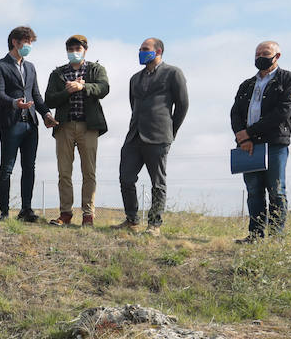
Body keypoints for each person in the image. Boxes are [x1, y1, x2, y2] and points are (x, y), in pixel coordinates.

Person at [116, 37, 188, 236]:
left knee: (158, 182)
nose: (140, 52)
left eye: (145, 49)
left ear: (158, 51)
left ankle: (154, 225)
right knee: (126, 178)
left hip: (159, 136)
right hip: (134, 136)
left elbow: (182, 105)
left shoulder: (173, 73)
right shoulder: (134, 78)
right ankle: (132, 220)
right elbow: (134, 106)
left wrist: (171, 131)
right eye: (139, 49)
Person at [230, 40, 291, 243]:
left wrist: (249, 132)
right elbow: (235, 112)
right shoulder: (246, 84)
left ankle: (276, 237)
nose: (260, 56)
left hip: (275, 143)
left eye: (265, 53)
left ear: (277, 56)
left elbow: (283, 111)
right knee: (254, 190)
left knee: (276, 190)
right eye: (257, 53)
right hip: (248, 145)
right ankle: (255, 235)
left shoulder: (288, 79)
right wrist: (241, 136)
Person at [44, 34, 110, 227]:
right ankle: (65, 213)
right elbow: (49, 99)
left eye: (77, 49)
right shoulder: (57, 73)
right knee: (64, 172)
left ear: (85, 50)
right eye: (70, 50)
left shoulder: (96, 69)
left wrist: (82, 86)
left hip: (88, 127)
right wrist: (68, 91)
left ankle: (88, 215)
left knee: (89, 172)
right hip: (64, 126)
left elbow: (104, 88)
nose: (74, 52)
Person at [0, 26, 55, 222]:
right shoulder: (0, 65)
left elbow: (35, 94)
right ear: (15, 42)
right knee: (7, 167)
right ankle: (4, 211)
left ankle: (26, 210)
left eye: (30, 43)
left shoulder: (30, 67)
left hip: (31, 124)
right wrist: (14, 103)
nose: (28, 46)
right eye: (25, 42)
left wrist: (46, 114)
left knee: (29, 167)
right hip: (10, 123)